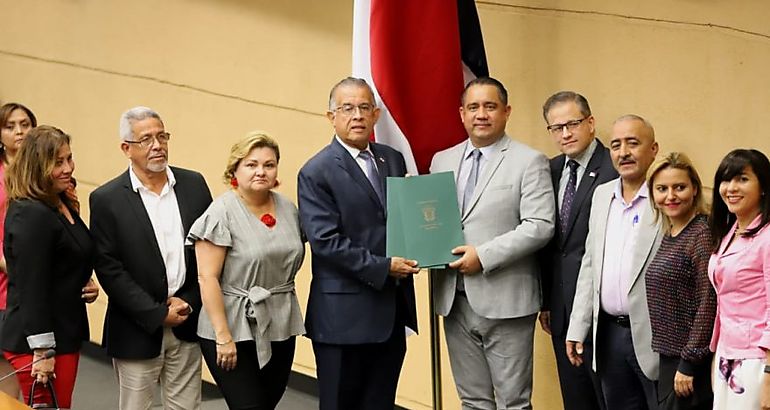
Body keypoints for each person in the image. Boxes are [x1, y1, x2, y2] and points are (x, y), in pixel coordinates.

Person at [430, 77, 555, 409]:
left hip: (506, 300)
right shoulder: (442, 160)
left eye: (490, 106)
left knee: (513, 402)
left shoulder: (529, 161)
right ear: (461, 113)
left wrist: (483, 256)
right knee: (472, 401)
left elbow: (540, 225)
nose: (481, 114)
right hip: (453, 299)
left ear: (506, 111)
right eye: (473, 107)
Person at [297, 77, 419, 410]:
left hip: (390, 315)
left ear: (376, 115)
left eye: (365, 107)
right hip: (341, 320)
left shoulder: (392, 159)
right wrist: (384, 267)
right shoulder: (316, 171)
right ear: (330, 117)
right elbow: (325, 242)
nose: (357, 115)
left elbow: (403, 221)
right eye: (347, 108)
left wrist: (424, 245)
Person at [90, 106, 212, 410]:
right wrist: (156, 314)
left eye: (162, 136)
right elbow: (109, 268)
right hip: (136, 328)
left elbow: (210, 251)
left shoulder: (194, 185)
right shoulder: (107, 199)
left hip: (187, 318)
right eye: (146, 139)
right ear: (126, 148)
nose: (157, 145)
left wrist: (189, 300)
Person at [188, 132, 305, 409]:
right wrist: (223, 336)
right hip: (232, 325)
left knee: (267, 403)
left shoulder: (288, 208)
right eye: (251, 165)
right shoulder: (221, 213)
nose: (261, 171)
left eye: (269, 164)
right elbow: (207, 277)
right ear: (235, 169)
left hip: (280, 321)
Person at [566, 114, 661, 410]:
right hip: (609, 336)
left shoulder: (666, 196)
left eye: (633, 143)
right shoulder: (602, 195)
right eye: (616, 145)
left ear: (653, 149)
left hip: (654, 336)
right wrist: (577, 327)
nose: (624, 153)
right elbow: (590, 266)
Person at [2, 125, 98, 408]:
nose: (68, 168)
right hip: (39, 342)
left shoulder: (58, 202)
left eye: (69, 158)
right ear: (37, 166)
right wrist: (42, 351)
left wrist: (84, 280)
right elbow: (32, 287)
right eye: (57, 162)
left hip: (64, 332)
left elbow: (69, 256)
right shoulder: (31, 214)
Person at [538, 91, 615, 410]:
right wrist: (546, 300)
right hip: (560, 307)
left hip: (604, 311)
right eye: (557, 128)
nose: (565, 134)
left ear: (591, 123)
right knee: (575, 399)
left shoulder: (614, 166)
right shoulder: (550, 169)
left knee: (608, 398)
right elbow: (548, 243)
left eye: (573, 124)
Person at [645, 152, 715, 409]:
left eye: (680, 187)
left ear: (695, 189)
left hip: (689, 365)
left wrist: (689, 362)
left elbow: (708, 301)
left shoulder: (701, 233)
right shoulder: (671, 232)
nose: (671, 196)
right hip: (669, 358)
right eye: (662, 189)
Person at [708, 149, 770, 410]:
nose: (731, 188)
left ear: (764, 187)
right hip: (726, 353)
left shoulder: (767, 237)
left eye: (742, 179)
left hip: (755, 359)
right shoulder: (728, 232)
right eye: (726, 179)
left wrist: (768, 375)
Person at [0, 102, 37, 399]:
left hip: (37, 281)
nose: (19, 131)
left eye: (25, 124)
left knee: (32, 369)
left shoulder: (44, 173)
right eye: (10, 126)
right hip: (4, 277)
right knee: (6, 364)